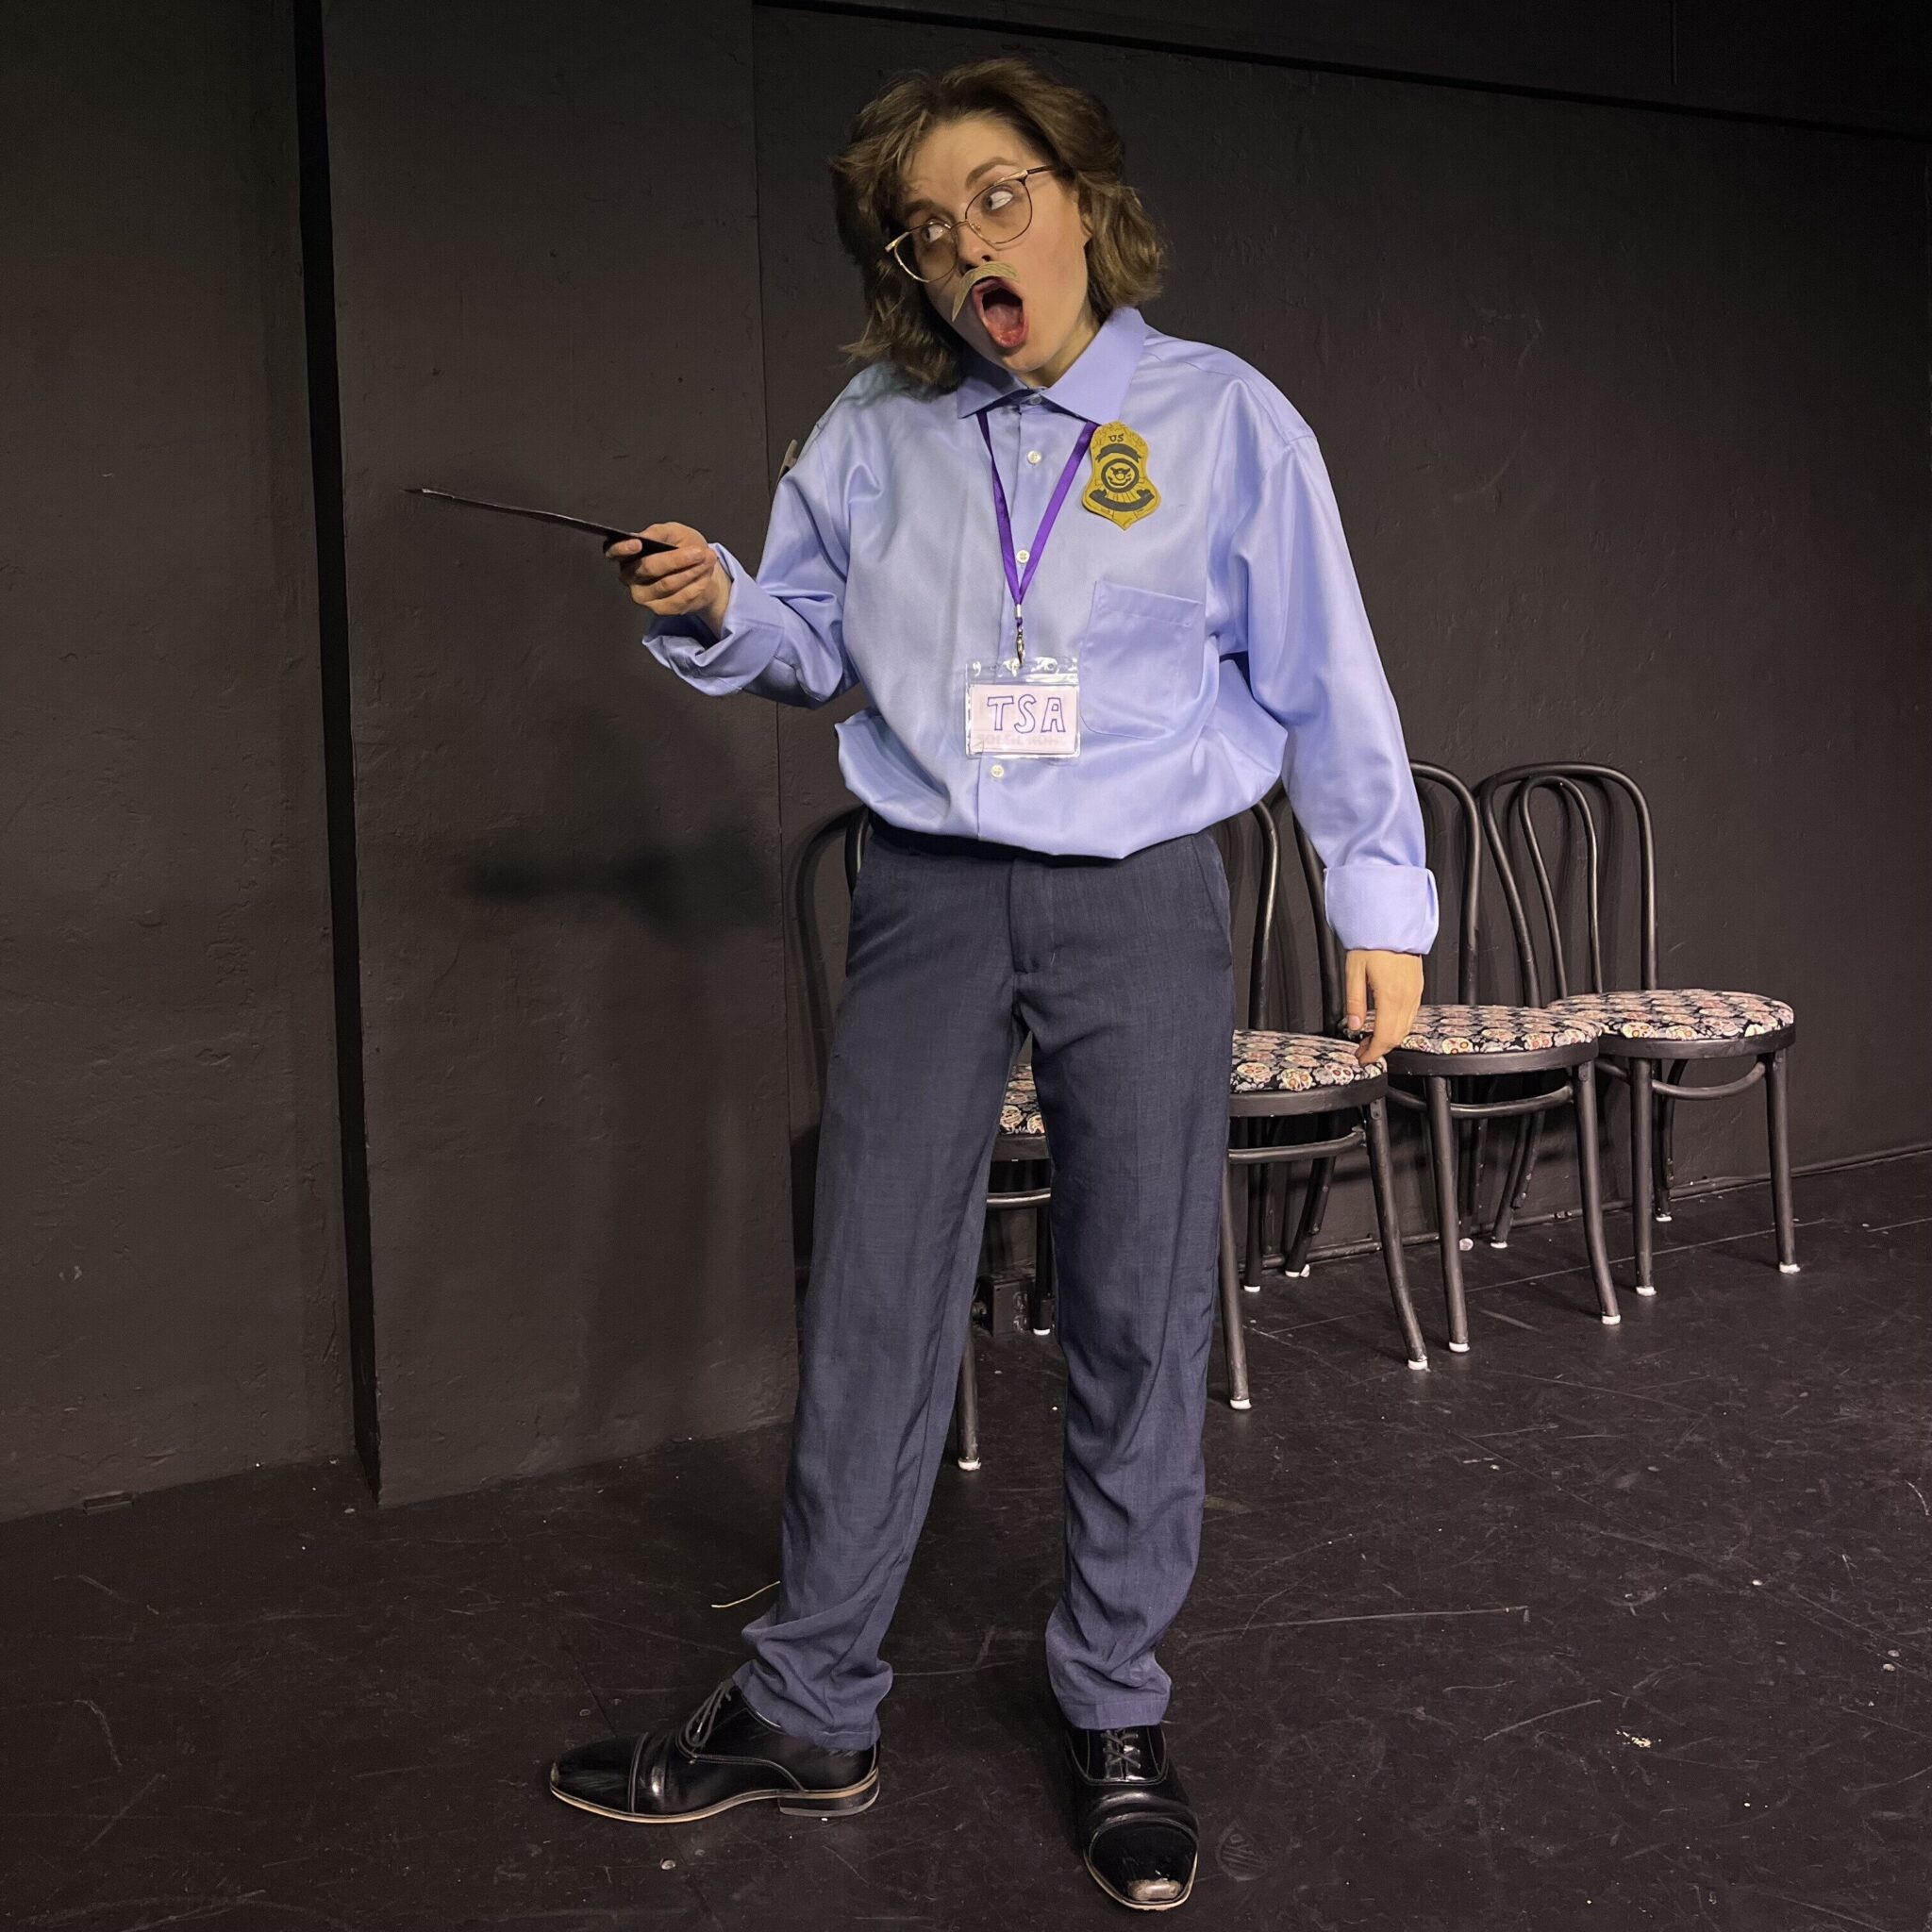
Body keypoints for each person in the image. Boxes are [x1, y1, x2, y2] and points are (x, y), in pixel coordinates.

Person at [549, 55, 1436, 1912]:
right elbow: (810, 638)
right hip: (931, 894)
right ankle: (811, 1704)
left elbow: (1324, 668)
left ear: (1082, 200)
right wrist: (720, 601)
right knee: (876, 1290)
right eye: (925, 229)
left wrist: (1380, 897)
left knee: (1135, 1302)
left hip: (1139, 898)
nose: (966, 247)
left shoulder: (1221, 418)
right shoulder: (875, 427)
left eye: (997, 198)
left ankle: (1115, 1700)